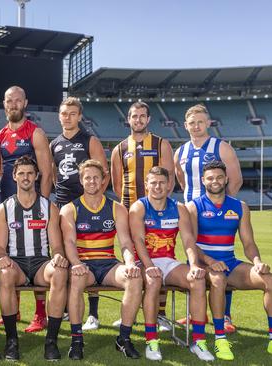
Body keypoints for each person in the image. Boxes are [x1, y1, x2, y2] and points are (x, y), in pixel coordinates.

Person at [188, 161, 272, 361]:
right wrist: (209, 261)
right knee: (217, 280)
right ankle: (220, 339)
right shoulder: (193, 206)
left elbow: (249, 243)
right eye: (210, 178)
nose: (214, 181)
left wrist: (258, 262)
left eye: (218, 177)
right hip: (205, 264)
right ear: (203, 180)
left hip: (230, 264)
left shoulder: (240, 206)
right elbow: (191, 244)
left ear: (226, 179)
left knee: (271, 280)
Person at [128, 166, 214, 361]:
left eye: (162, 183)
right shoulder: (139, 207)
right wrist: (149, 266)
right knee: (153, 282)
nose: (158, 186)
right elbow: (138, 241)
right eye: (154, 182)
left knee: (198, 280)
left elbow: (189, 241)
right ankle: (152, 340)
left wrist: (194, 265)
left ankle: (199, 342)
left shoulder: (179, 208)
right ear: (147, 185)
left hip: (168, 262)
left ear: (168, 185)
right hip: (143, 262)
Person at [60, 159, 143, 360]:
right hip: (84, 265)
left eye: (96, 177)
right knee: (77, 279)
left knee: (135, 278)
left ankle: (123, 338)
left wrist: (130, 262)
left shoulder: (117, 208)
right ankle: (77, 340)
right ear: (81, 180)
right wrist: (77, 264)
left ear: (103, 181)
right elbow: (69, 243)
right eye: (87, 177)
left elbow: (124, 242)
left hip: (108, 265)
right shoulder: (70, 209)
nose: (92, 181)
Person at [175, 104, 242, 332]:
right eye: (192, 123)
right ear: (186, 126)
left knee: (221, 258)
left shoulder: (221, 147)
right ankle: (197, 314)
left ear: (208, 123)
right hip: (191, 212)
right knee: (193, 257)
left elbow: (235, 180)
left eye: (200, 122)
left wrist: (222, 208)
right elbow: (182, 182)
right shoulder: (180, 152)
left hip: (216, 211)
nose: (196, 126)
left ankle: (224, 316)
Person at [0, 155, 68, 361]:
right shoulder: (3, 209)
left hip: (40, 263)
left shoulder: (49, 207)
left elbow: (57, 245)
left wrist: (59, 257)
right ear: (14, 176)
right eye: (21, 173)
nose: (25, 177)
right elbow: (0, 247)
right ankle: (12, 341)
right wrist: (2, 258)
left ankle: (51, 341)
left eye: (29, 173)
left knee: (60, 272)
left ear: (36, 176)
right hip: (16, 262)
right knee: (6, 274)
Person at [110, 101, 174, 331]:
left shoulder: (160, 144)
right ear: (128, 119)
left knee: (160, 256)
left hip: (155, 210)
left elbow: (169, 180)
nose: (138, 120)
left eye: (142, 116)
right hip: (129, 210)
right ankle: (132, 313)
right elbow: (117, 184)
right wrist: (130, 208)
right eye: (134, 116)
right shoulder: (119, 148)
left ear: (148, 120)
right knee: (133, 259)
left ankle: (161, 314)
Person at [0, 86, 54, 333]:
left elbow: (47, 170)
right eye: (9, 100)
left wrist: (43, 204)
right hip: (7, 204)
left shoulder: (36, 133)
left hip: (34, 204)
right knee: (10, 255)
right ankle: (14, 309)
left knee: (39, 254)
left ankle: (41, 315)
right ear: (4, 104)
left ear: (25, 103)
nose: (13, 104)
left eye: (18, 100)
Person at [50, 96, 108, 331]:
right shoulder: (54, 144)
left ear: (80, 116)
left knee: (92, 256)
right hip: (65, 205)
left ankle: (93, 314)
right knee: (65, 253)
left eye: (73, 113)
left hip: (87, 204)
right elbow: (54, 174)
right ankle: (67, 308)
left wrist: (93, 200)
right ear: (59, 116)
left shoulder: (89, 140)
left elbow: (103, 173)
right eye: (64, 113)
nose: (68, 117)